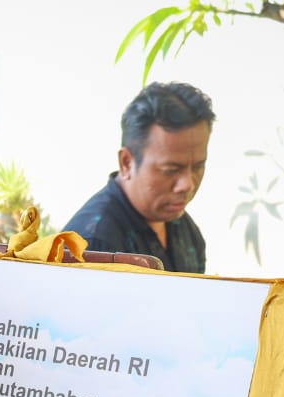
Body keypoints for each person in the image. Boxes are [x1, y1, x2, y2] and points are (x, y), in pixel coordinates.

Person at [62, 81, 214, 273]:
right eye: (170, 169)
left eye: (198, 167)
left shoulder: (186, 230)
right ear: (126, 162)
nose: (188, 184)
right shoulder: (91, 246)